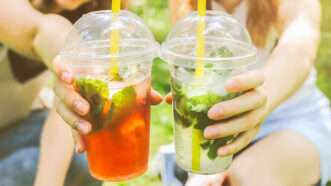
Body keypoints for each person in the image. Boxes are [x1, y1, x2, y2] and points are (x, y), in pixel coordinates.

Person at [167, 0, 331, 185]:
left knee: (246, 177)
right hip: (221, 122)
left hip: (292, 118)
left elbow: (299, 46)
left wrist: (260, 97)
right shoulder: (187, 4)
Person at [0, 1, 160, 186]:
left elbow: (69, 108)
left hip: (16, 127)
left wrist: (81, 73)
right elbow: (39, 31)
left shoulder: (94, 21)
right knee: (26, 168)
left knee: (83, 160)